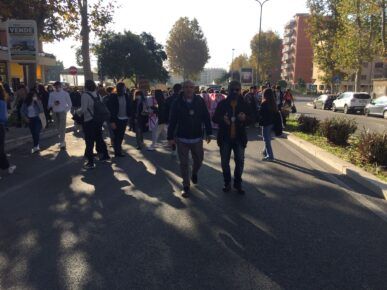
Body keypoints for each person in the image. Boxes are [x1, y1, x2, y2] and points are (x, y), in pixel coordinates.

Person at [167, 80, 212, 198]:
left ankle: (194, 173)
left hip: (197, 137)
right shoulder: (177, 102)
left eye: (191, 87)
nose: (188, 89)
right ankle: (186, 186)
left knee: (199, 160)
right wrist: (170, 137)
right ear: (183, 88)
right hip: (182, 138)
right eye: (186, 87)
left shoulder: (199, 101)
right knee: (184, 163)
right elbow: (172, 120)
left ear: (194, 88)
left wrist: (209, 132)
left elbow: (206, 117)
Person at [212, 81, 252, 194]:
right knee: (225, 162)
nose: (235, 92)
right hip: (225, 138)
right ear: (228, 90)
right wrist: (222, 119)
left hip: (239, 138)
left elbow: (253, 118)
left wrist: (245, 118)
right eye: (232, 90)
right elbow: (214, 118)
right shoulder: (222, 104)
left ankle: (238, 183)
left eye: (237, 90)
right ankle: (227, 183)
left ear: (240, 91)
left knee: (240, 161)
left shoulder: (244, 104)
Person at [78, 80, 110, 169]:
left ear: (86, 86)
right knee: (99, 138)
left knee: (89, 141)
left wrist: (77, 112)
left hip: (89, 120)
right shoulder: (97, 94)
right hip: (98, 120)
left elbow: (83, 109)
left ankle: (90, 162)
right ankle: (105, 155)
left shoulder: (85, 95)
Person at [105, 82, 131, 157]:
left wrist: (129, 116)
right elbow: (110, 110)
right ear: (120, 88)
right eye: (124, 87)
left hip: (125, 118)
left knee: (121, 135)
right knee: (117, 136)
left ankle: (118, 150)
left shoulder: (126, 96)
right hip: (116, 119)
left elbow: (129, 106)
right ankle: (118, 152)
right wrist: (112, 121)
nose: (125, 88)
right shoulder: (113, 96)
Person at [48, 81, 72, 149]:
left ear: (61, 86)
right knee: (58, 128)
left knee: (62, 127)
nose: (57, 88)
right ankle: (62, 140)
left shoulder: (65, 94)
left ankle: (62, 142)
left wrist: (65, 111)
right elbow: (49, 104)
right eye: (55, 87)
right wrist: (54, 104)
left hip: (62, 112)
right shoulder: (51, 94)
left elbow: (70, 104)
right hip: (55, 113)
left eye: (58, 86)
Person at [0, 85, 16, 176]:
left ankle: (7, 166)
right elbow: (4, 118)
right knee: (1, 149)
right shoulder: (2, 103)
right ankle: (7, 166)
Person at [259, 88, 277, 161]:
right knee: (268, 139)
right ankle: (266, 153)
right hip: (272, 123)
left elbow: (261, 113)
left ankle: (270, 156)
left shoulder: (264, 103)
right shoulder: (273, 103)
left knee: (266, 140)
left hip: (266, 124)